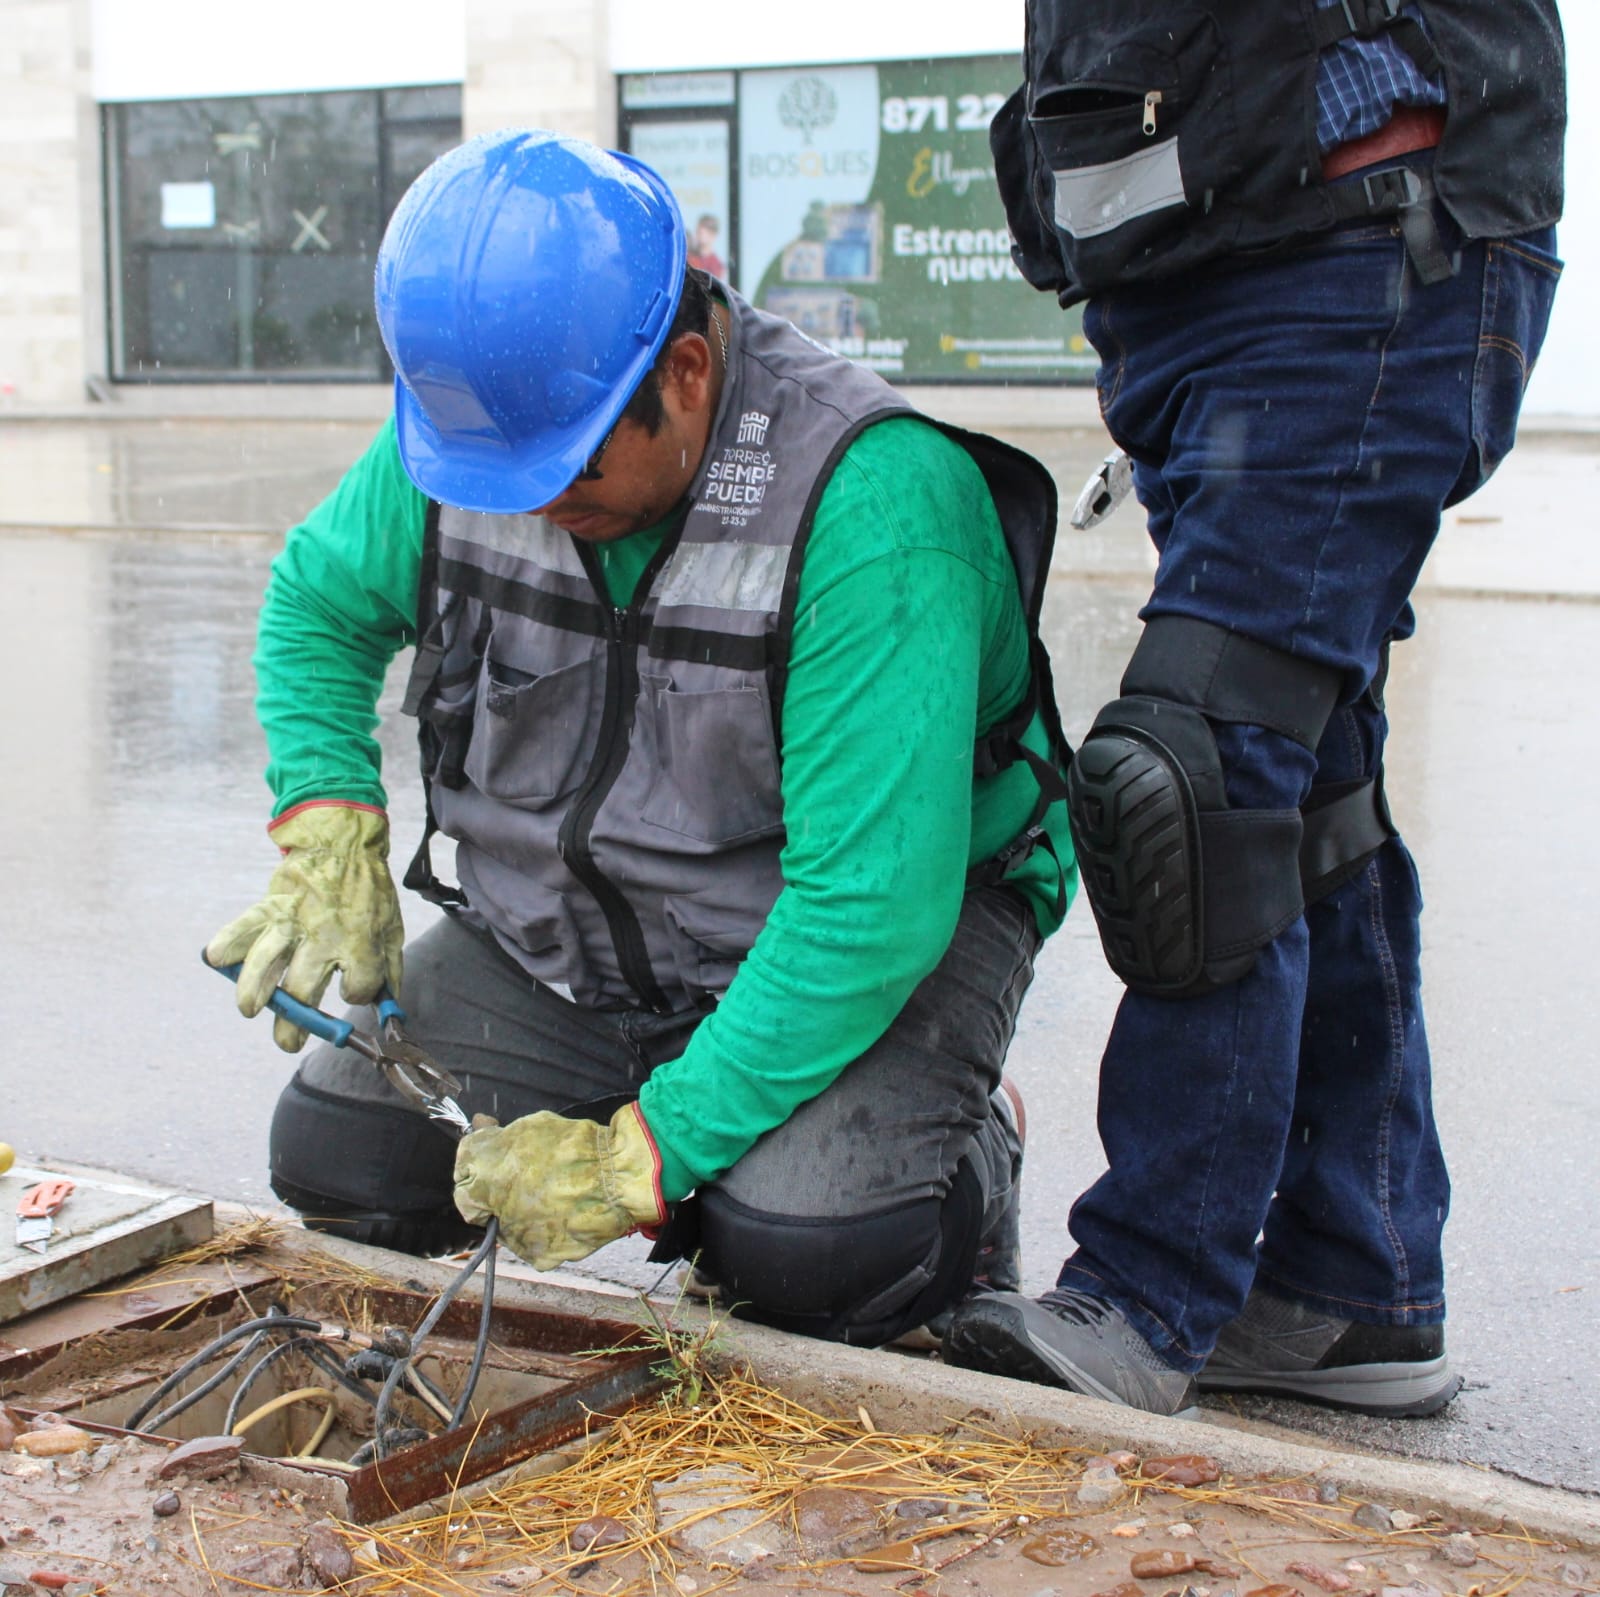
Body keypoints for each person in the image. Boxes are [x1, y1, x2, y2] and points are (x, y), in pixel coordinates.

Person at [206, 129, 1076, 1347]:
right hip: (575, 943)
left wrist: (643, 1156)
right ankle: (684, 1098)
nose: (519, 507)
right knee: (346, 1158)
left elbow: (865, 909)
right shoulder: (487, 436)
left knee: (798, 1254)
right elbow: (317, 603)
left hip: (854, 940)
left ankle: (969, 1148)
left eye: (562, 476)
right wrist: (327, 815)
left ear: (681, 372)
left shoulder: (873, 506)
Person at [943, 2, 1565, 1413]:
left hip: (1355, 238)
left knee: (1199, 768)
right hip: (1200, 270)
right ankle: (1355, 1286)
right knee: (1306, 780)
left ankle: (1151, 1289)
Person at [686, 212, 726, 280]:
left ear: (713, 235)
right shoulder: (688, 257)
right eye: (698, 231)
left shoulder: (716, 265)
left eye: (701, 232)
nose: (698, 235)